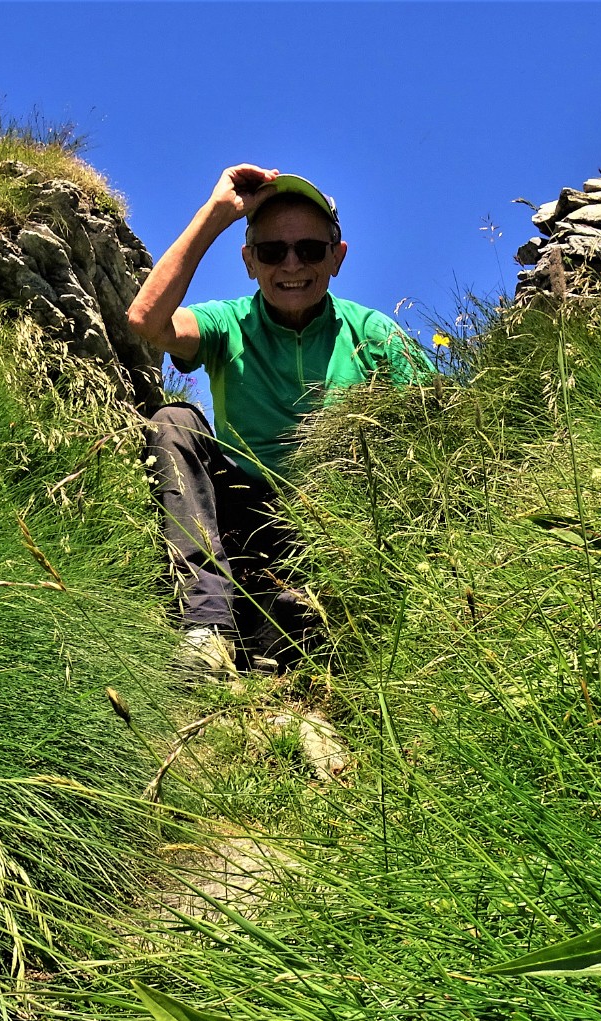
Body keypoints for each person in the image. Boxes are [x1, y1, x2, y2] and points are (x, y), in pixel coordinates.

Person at [128, 164, 432, 675]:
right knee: (174, 420)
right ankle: (207, 629)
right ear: (249, 261)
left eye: (310, 249)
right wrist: (216, 214)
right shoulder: (228, 323)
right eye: (272, 251)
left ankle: (277, 641)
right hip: (236, 510)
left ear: (337, 258)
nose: (292, 264)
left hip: (332, 521)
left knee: (291, 633)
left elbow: (435, 426)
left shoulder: (373, 333)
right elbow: (146, 320)